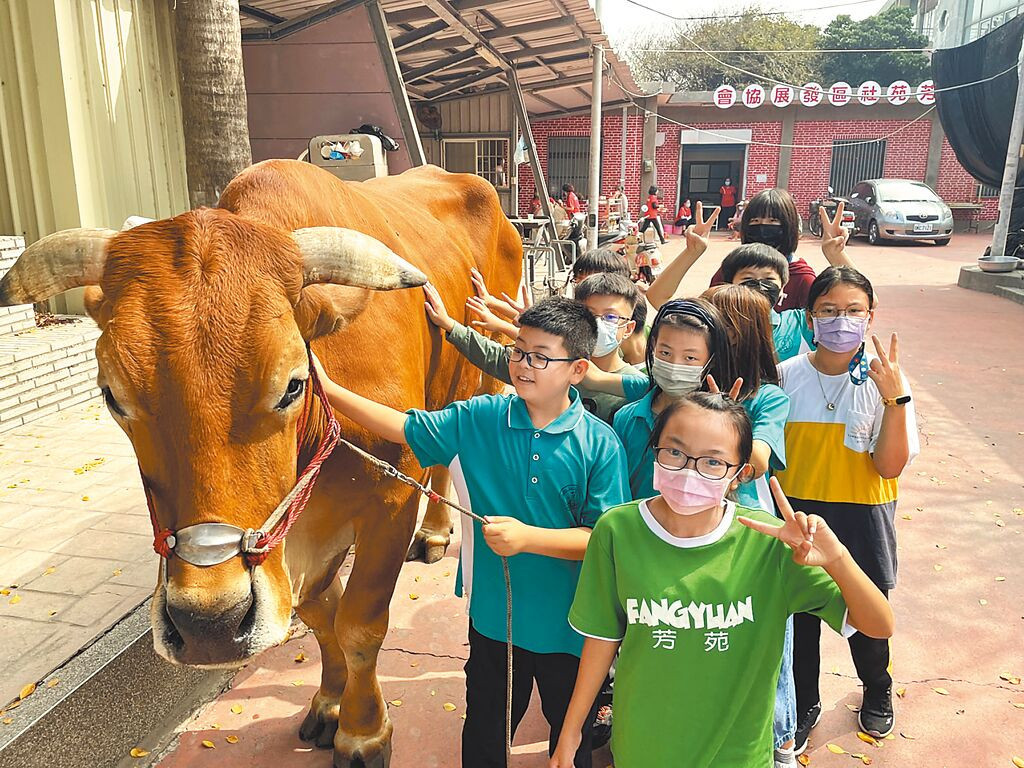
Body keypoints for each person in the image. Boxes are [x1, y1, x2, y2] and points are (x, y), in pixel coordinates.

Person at [313, 295, 630, 768]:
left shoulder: (600, 444)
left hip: (573, 627)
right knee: (485, 729)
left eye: (541, 356)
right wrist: (328, 388)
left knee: (570, 738)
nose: (523, 365)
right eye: (518, 350)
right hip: (494, 621)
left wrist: (529, 539)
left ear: (578, 369)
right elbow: (402, 427)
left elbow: (603, 541)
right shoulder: (479, 418)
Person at [549, 393, 895, 768]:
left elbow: (878, 623)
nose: (689, 470)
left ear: (739, 473)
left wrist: (838, 560)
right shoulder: (617, 530)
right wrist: (571, 733)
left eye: (713, 461)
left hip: (738, 755)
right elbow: (602, 637)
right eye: (675, 452)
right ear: (654, 449)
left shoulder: (771, 543)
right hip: (641, 747)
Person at [776, 266, 918, 753]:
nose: (842, 321)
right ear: (810, 317)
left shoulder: (889, 384)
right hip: (800, 514)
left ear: (871, 316)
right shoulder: (785, 377)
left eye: (854, 311)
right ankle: (804, 701)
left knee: (866, 614)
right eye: (829, 312)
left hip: (863, 515)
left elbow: (889, 465)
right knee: (799, 618)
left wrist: (895, 400)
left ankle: (877, 688)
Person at [646, 203, 856, 362]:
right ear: (729, 284)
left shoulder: (801, 323)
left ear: (783, 285)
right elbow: (657, 297)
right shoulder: (714, 322)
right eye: (748, 279)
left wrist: (835, 255)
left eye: (768, 279)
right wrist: (691, 253)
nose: (759, 285)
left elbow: (859, 301)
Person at [424, 273, 643, 424]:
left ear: (628, 328)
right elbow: (497, 357)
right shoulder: (552, 364)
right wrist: (450, 326)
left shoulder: (637, 387)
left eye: (610, 317)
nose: (597, 323)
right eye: (588, 313)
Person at [586, 299, 735, 499]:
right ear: (653, 346)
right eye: (665, 353)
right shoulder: (627, 418)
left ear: (711, 359)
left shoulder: (727, 422)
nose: (674, 365)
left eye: (690, 358)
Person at [711, 188, 817, 311]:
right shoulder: (732, 268)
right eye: (755, 221)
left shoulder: (802, 278)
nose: (762, 227)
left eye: (773, 221)